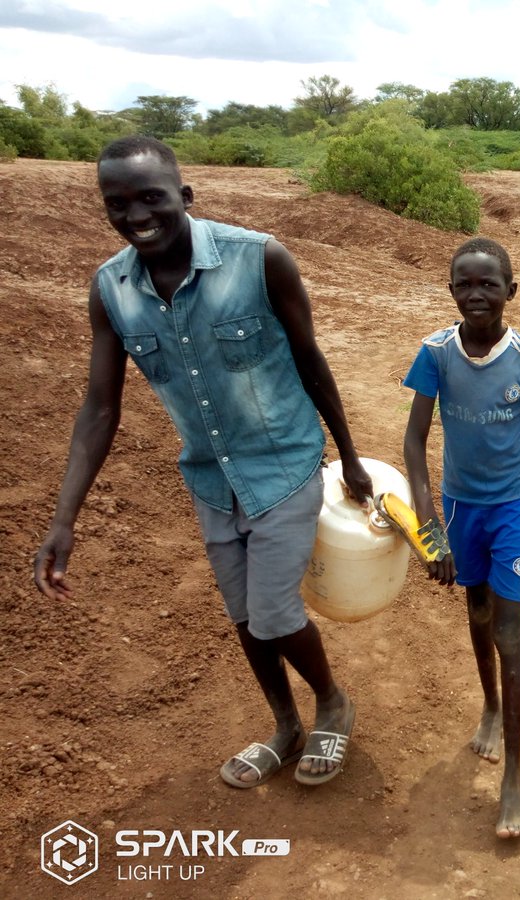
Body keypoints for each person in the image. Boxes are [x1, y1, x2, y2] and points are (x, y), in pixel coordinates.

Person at [33, 135, 370, 790]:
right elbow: (99, 409)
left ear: (184, 195)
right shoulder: (111, 290)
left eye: (151, 198)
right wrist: (64, 519)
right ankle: (285, 725)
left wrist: (350, 456)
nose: (136, 216)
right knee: (244, 617)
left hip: (284, 463)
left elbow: (311, 360)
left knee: (273, 612)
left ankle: (331, 702)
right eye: (117, 204)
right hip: (211, 479)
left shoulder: (259, 259)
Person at [399, 237, 520, 839]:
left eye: (488, 284)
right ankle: (490, 705)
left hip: (512, 508)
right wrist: (429, 528)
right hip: (460, 507)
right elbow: (414, 441)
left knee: (508, 631)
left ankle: (513, 774)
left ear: (510, 291)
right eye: (464, 284)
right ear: (450, 290)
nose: (476, 294)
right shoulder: (436, 353)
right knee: (477, 611)